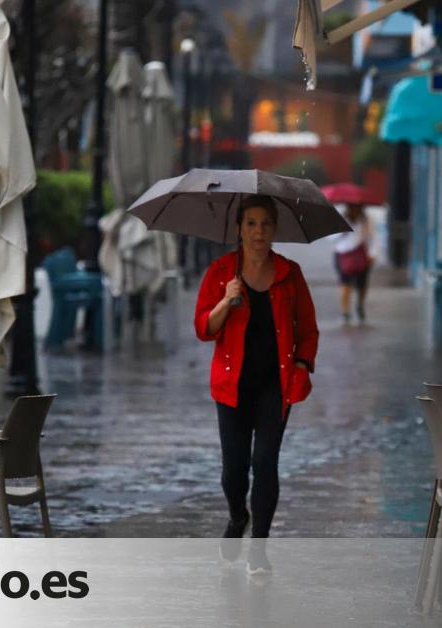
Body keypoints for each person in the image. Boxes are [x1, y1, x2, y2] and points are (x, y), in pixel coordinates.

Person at [194, 195, 319, 576]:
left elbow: (308, 330)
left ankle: (259, 550)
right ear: (239, 229)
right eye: (251, 223)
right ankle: (237, 517)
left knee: (265, 463)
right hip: (231, 387)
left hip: (274, 386)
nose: (258, 231)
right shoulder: (220, 273)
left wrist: (300, 365)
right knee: (234, 470)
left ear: (274, 228)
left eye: (265, 223)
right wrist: (225, 302)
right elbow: (203, 329)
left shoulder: (290, 273)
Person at [332, 203, 376, 324]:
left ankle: (360, 305)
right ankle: (345, 311)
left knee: (362, 285)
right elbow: (331, 237)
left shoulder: (366, 220)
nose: (354, 209)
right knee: (345, 284)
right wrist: (343, 227)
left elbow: (372, 237)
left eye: (357, 207)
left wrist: (373, 254)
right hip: (343, 254)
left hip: (361, 255)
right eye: (352, 207)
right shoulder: (341, 218)